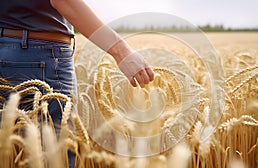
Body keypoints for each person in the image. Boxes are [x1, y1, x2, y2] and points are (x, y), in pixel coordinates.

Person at [0, 0, 154, 167]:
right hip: (40, 56)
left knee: (12, 155)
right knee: (57, 155)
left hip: (8, 50)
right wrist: (122, 51)